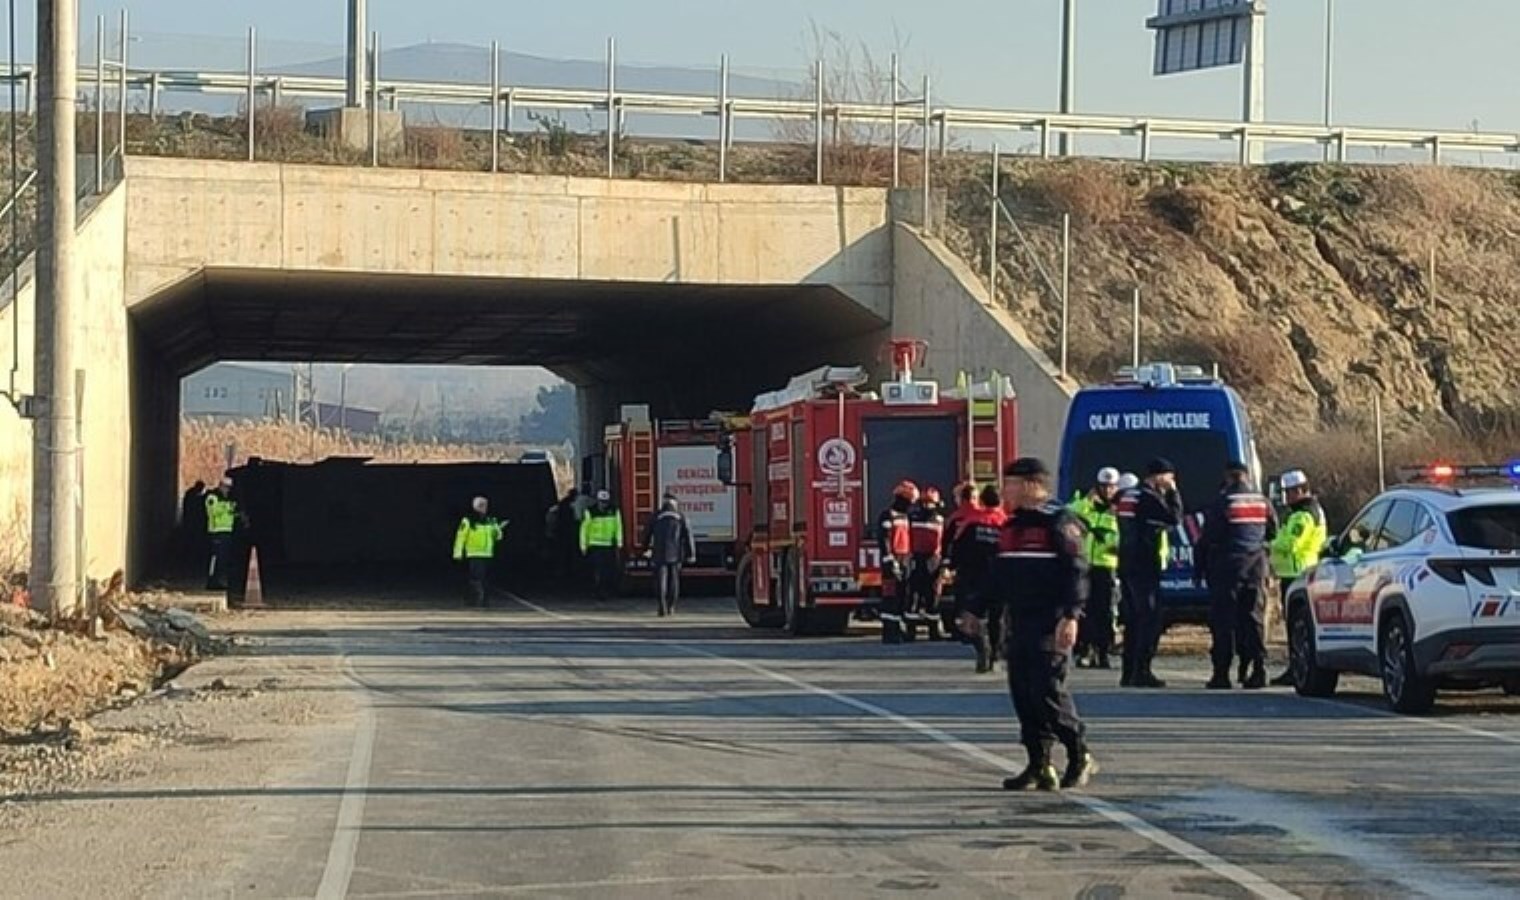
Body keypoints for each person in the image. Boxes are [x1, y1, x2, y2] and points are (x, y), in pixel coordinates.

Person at [961, 458, 1096, 792]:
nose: (1004, 491)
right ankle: (1039, 763)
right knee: (1023, 693)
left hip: (1050, 621)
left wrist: (1071, 615)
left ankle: (1079, 754)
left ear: (1031, 485)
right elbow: (998, 575)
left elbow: (1077, 571)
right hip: (1019, 621)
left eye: (1010, 484)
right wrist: (973, 609)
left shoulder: (1060, 522)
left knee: (1048, 691)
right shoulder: (1011, 527)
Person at [1195, 462, 1276, 690]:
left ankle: (1221, 674)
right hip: (1256, 566)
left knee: (1223, 621)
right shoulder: (1262, 501)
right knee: (1253, 619)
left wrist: (1200, 567)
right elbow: (1272, 531)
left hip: (1227, 566)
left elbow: (1209, 537)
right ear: (1247, 477)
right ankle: (1259, 669)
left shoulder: (1224, 501)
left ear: (1228, 478)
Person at [1116, 458, 1184, 689]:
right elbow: (1174, 518)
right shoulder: (1148, 497)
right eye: (1169, 477)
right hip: (1143, 564)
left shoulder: (1127, 496)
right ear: (1158, 476)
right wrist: (1173, 493)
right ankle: (1142, 671)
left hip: (1126, 562)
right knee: (1149, 618)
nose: (1171, 481)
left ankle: (1128, 671)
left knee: (1133, 620)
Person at [1268, 469, 1329, 686]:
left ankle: (1298, 668)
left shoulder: (1303, 515)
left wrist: (1269, 544)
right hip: (1295, 573)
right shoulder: (1301, 512)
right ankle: (1295, 666)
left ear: (1301, 490)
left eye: (1290, 492)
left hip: (1298, 573)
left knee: (1298, 626)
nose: (1287, 497)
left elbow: (1292, 544)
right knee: (1295, 627)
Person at [1068, 467, 1121, 669]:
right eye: (1104, 487)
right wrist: (1087, 502)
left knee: (1106, 612)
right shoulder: (1085, 506)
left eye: (1112, 487)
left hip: (1107, 567)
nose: (1108, 491)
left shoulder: (1119, 510)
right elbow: (1069, 513)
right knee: (1085, 610)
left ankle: (1103, 651)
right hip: (1085, 566)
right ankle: (1085, 650)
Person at [951, 483, 1007, 673]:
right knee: (997, 618)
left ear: (982, 501)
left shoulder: (971, 522)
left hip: (973, 577)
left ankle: (982, 647)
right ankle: (995, 655)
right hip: (999, 578)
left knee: (971, 616)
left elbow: (957, 547)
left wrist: (950, 567)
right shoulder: (1005, 524)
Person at [876, 480, 918, 644]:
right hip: (893, 560)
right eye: (909, 502)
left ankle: (898, 629)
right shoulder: (887, 515)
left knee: (902, 596)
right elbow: (884, 539)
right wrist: (889, 560)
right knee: (890, 597)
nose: (911, 505)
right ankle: (889, 632)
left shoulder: (905, 516)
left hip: (905, 558)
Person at [643, 494, 696, 617]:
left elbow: (647, 533)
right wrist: (691, 554)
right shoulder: (681, 517)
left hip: (659, 553)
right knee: (674, 581)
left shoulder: (656, 516)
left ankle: (661, 607)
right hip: (675, 554)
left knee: (661, 581)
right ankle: (671, 606)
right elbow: (688, 536)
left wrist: (644, 548)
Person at [907, 485, 947, 641]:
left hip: (923, 560)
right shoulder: (939, 520)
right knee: (925, 596)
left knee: (922, 596)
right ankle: (929, 632)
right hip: (928, 560)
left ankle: (917, 631)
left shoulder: (912, 518)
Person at [453, 496, 505, 607]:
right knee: (476, 579)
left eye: (485, 505)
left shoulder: (490, 520)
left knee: (486, 579)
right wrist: (458, 552)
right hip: (474, 553)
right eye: (481, 505)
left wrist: (498, 530)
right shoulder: (468, 520)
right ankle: (473, 600)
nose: (484, 508)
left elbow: (498, 537)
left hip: (487, 554)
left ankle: (484, 600)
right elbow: (461, 536)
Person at [580, 490, 624, 599]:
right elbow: (584, 529)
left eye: (605, 502)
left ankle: (607, 590)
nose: (603, 504)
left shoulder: (614, 511)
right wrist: (583, 545)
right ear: (597, 501)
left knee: (608, 570)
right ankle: (598, 590)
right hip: (595, 545)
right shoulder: (590, 511)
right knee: (598, 570)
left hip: (609, 545)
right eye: (601, 502)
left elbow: (618, 527)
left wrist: (619, 542)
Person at [204, 477, 239, 591]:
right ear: (221, 486)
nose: (227, 490)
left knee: (223, 559)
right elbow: (213, 511)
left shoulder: (228, 499)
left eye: (229, 488)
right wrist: (228, 507)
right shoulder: (212, 497)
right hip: (216, 532)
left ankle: (218, 580)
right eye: (226, 487)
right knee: (216, 558)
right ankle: (211, 580)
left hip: (227, 531)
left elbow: (230, 514)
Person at [180, 481, 208, 573]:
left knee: (191, 540)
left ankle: (190, 556)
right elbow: (197, 506)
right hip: (193, 523)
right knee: (193, 540)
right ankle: (192, 557)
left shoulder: (190, 494)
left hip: (191, 522)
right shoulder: (193, 496)